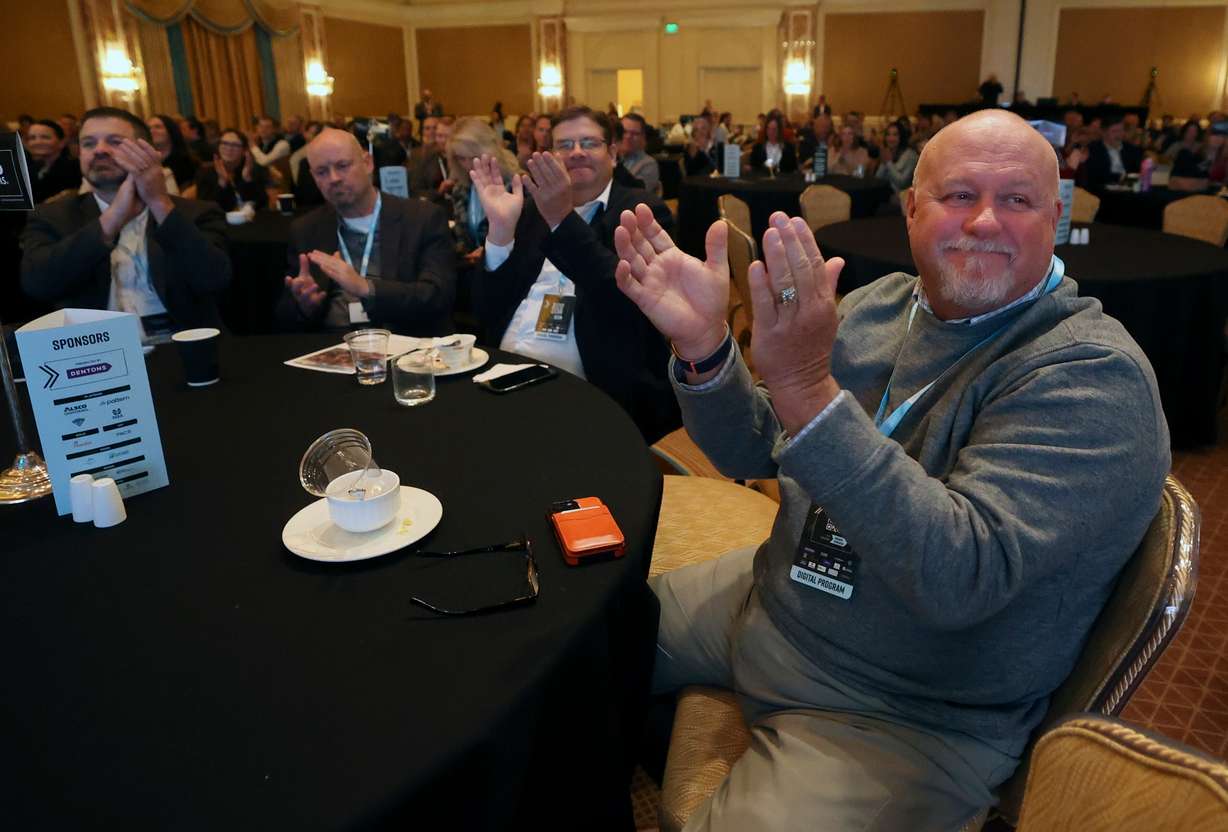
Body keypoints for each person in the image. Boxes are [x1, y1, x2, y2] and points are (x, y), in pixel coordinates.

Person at [611, 108, 1169, 829]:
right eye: (960, 195)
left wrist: (809, 389)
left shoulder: (1092, 375)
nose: (986, 222)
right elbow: (756, 449)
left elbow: (960, 577)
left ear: (1054, 219)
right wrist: (707, 351)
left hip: (904, 710)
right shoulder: (882, 305)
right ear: (912, 210)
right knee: (576, 641)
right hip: (774, 598)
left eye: (1018, 200)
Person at [468, 106, 681, 442]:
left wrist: (561, 220)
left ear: (612, 153)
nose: (577, 152)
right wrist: (499, 233)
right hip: (506, 376)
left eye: (589, 143)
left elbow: (628, 301)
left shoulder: (640, 211)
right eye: (565, 146)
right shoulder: (528, 212)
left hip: (596, 390)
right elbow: (486, 310)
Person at [21, 106, 231, 335]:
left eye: (115, 142)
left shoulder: (196, 213)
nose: (100, 150)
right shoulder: (53, 216)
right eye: (89, 143)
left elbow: (214, 279)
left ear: (146, 152)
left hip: (182, 350)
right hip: (94, 356)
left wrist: (159, 203)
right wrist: (112, 218)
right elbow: (38, 284)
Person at [276, 127, 455, 336]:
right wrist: (303, 305)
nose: (333, 178)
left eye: (342, 166)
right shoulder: (306, 229)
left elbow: (436, 296)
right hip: (333, 348)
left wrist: (365, 288)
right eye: (322, 172)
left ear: (368, 163)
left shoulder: (421, 218)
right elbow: (283, 318)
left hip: (405, 347)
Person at [445, 116, 520, 264]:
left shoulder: (517, 185)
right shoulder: (460, 189)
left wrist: (489, 251)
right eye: (460, 158)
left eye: (473, 157)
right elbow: (462, 239)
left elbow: (528, 237)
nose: (467, 165)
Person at [187, 129, 268, 211]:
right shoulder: (205, 172)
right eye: (225, 143)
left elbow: (262, 204)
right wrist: (222, 183)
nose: (229, 148)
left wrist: (247, 180)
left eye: (235, 145)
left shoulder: (254, 169)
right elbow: (206, 208)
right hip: (219, 221)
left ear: (244, 151)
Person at [24, 119, 82, 204]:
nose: (37, 142)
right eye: (32, 138)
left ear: (62, 142)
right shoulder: (29, 169)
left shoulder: (75, 168)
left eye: (45, 137)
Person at [1081, 116, 1143, 191]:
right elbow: (1095, 176)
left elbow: (1138, 172)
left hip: (1130, 190)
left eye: (1121, 130)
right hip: (1104, 192)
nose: (1119, 135)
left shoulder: (1131, 149)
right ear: (1104, 133)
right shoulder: (1093, 149)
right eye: (1114, 131)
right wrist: (1121, 178)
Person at [147, 114, 198, 190]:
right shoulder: (145, 161)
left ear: (170, 131)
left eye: (158, 127)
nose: (152, 131)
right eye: (148, 128)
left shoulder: (186, 161)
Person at [875, 120, 918, 201]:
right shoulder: (887, 151)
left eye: (895, 135)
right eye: (888, 134)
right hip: (885, 194)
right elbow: (878, 179)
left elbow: (902, 183)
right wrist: (883, 163)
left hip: (903, 197)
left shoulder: (910, 155)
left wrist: (888, 163)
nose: (891, 138)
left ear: (901, 137)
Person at [618, 113, 660, 195]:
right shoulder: (608, 158)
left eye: (634, 133)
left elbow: (637, 194)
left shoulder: (649, 164)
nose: (628, 136)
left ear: (642, 137)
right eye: (624, 131)